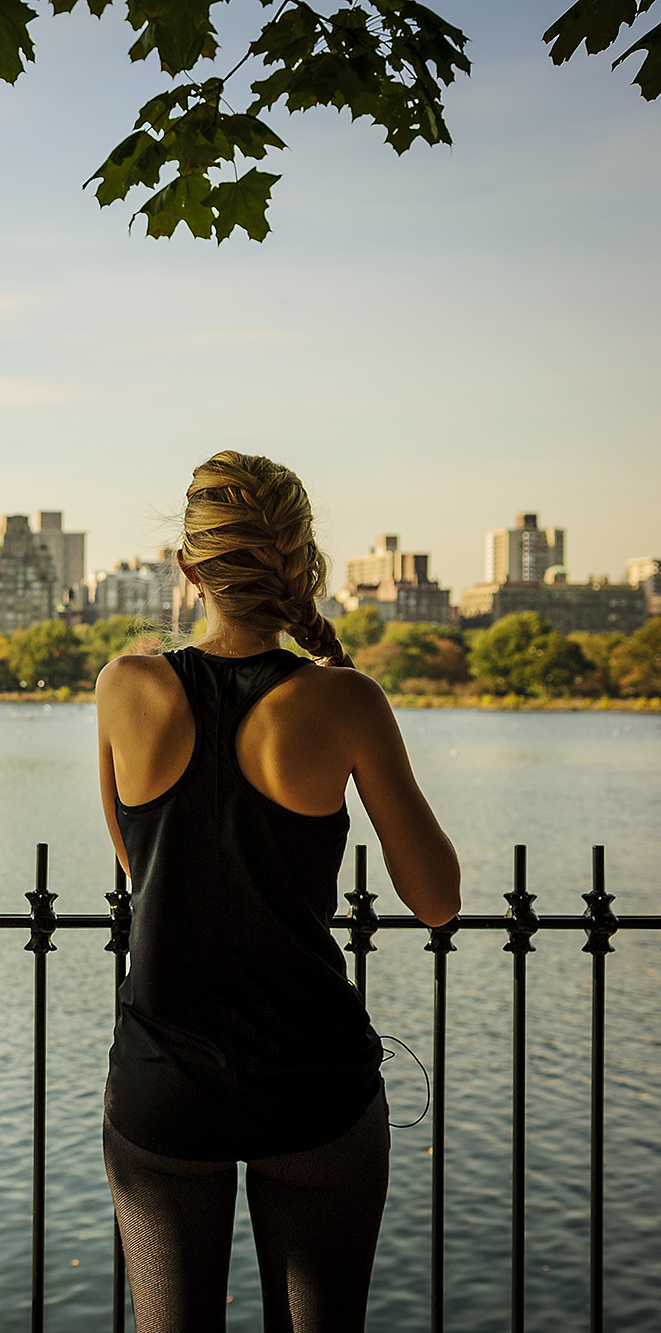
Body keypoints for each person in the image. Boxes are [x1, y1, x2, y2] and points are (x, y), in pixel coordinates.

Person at [93, 451, 460, 1332]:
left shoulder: (125, 686)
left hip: (163, 1086)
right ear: (300, 561)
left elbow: (140, 871)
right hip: (313, 1087)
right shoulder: (346, 701)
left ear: (187, 567)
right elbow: (437, 898)